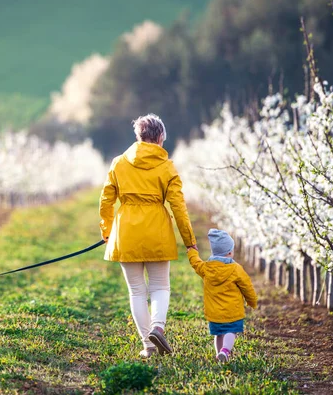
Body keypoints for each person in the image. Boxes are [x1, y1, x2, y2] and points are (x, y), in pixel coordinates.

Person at [99, 113, 197, 358]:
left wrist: (107, 231)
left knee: (136, 291)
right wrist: (190, 241)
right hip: (157, 230)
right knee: (160, 286)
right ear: (161, 137)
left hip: (126, 231)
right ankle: (158, 327)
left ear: (138, 137)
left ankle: (149, 346)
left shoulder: (119, 163)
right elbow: (178, 207)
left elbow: (106, 201)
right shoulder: (167, 166)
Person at [187, 229, 258, 362]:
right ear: (230, 252)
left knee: (219, 334)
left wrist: (192, 251)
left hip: (214, 313)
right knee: (230, 332)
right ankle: (225, 351)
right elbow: (247, 286)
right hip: (233, 311)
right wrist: (252, 301)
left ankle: (219, 354)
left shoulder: (206, 268)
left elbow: (195, 263)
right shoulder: (236, 269)